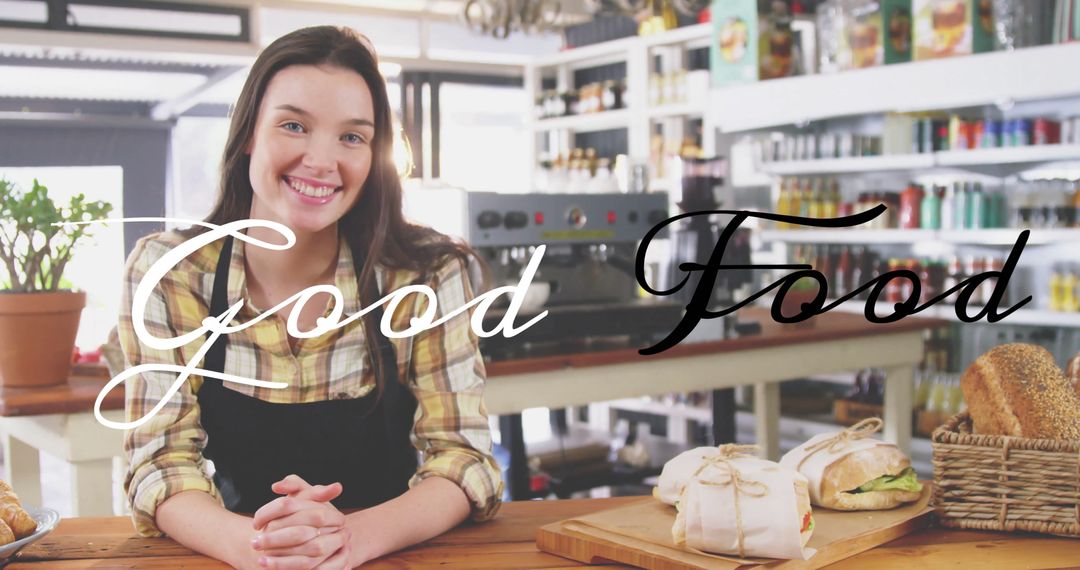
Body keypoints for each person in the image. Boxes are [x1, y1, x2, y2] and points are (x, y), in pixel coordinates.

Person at [118, 26, 503, 569]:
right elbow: (159, 463)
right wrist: (260, 550)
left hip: (386, 555)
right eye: (294, 125)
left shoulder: (426, 275)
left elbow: (465, 458)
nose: (322, 161)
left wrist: (349, 539)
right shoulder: (172, 274)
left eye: (352, 137)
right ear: (249, 132)